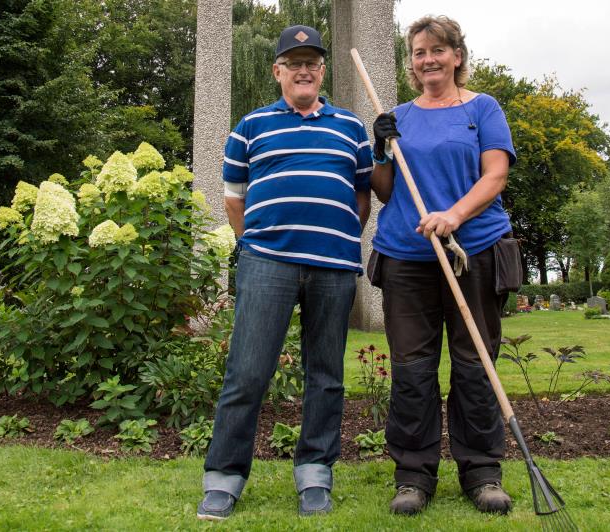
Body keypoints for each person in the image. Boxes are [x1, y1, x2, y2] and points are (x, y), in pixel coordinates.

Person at [196, 24, 372, 521]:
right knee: (247, 372)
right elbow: (235, 199)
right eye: (293, 62)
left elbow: (362, 195)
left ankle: (315, 475)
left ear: (321, 71)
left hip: (333, 267)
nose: (303, 69)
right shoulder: (248, 127)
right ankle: (224, 479)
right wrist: (253, 244)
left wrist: (336, 235)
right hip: (266, 263)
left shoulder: (352, 128)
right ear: (278, 72)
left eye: (311, 62)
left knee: (327, 375)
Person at [367, 15, 520, 516]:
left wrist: (453, 216)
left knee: (475, 364)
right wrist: (380, 149)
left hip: (472, 250)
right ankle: (413, 476)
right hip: (407, 257)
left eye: (437, 50)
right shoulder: (399, 116)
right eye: (418, 52)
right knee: (412, 369)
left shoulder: (482, 109)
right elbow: (387, 191)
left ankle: (482, 472)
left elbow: (495, 175)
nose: (427, 59)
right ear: (410, 62)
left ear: (456, 55)